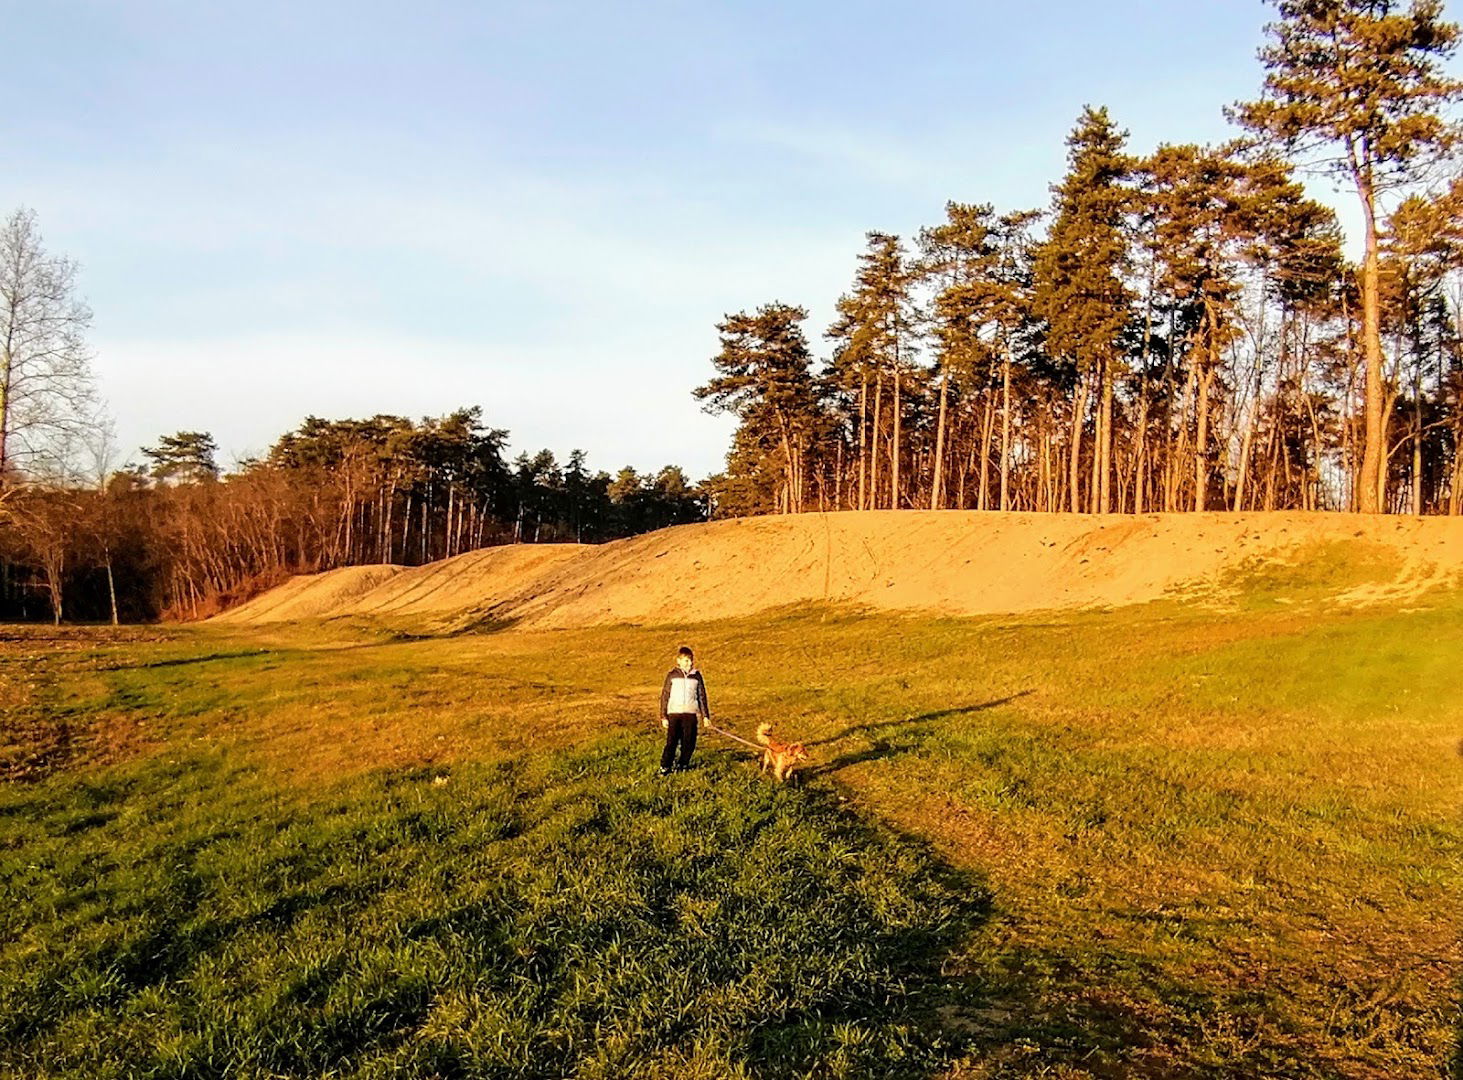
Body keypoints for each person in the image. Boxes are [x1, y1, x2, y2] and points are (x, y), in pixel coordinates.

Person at [658, 645, 709, 775]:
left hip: (690, 714)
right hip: (674, 714)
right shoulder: (672, 676)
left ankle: (683, 764)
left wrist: (705, 716)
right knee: (672, 742)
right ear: (679, 661)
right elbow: (665, 696)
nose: (689, 663)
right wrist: (663, 716)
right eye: (686, 660)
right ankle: (665, 766)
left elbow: (702, 696)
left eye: (691, 660)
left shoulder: (696, 676)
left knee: (689, 742)